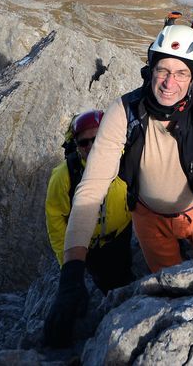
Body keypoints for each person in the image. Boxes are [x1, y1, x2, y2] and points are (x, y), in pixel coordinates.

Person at [43, 23, 193, 347]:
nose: (169, 82)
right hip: (147, 218)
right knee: (171, 288)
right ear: (151, 68)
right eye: (162, 70)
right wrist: (71, 275)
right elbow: (91, 189)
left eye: (180, 73)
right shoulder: (125, 110)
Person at [43, 110, 134, 295]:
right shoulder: (64, 175)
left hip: (123, 236)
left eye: (96, 139)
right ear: (76, 145)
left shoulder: (125, 160)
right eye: (84, 142)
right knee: (104, 287)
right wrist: (68, 265)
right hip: (88, 248)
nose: (91, 146)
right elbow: (55, 220)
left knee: (125, 276)